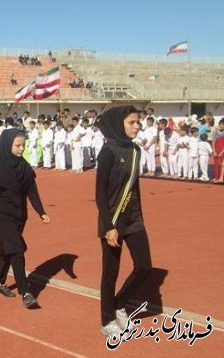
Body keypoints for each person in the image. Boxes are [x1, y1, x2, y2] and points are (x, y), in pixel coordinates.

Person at [95, 106, 152, 338]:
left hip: (134, 219)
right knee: (111, 273)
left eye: (138, 122)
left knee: (145, 267)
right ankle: (107, 319)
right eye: (132, 122)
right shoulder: (107, 152)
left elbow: (134, 186)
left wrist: (138, 213)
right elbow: (100, 193)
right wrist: (108, 226)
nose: (137, 126)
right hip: (112, 221)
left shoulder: (136, 150)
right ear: (119, 124)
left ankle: (119, 303)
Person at [0, 128, 50, 309]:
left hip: (20, 215)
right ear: (7, 145)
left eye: (23, 145)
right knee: (17, 250)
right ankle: (26, 292)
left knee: (8, 250)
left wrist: (41, 211)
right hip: (2, 215)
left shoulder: (23, 166)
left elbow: (31, 190)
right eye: (18, 145)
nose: (22, 149)